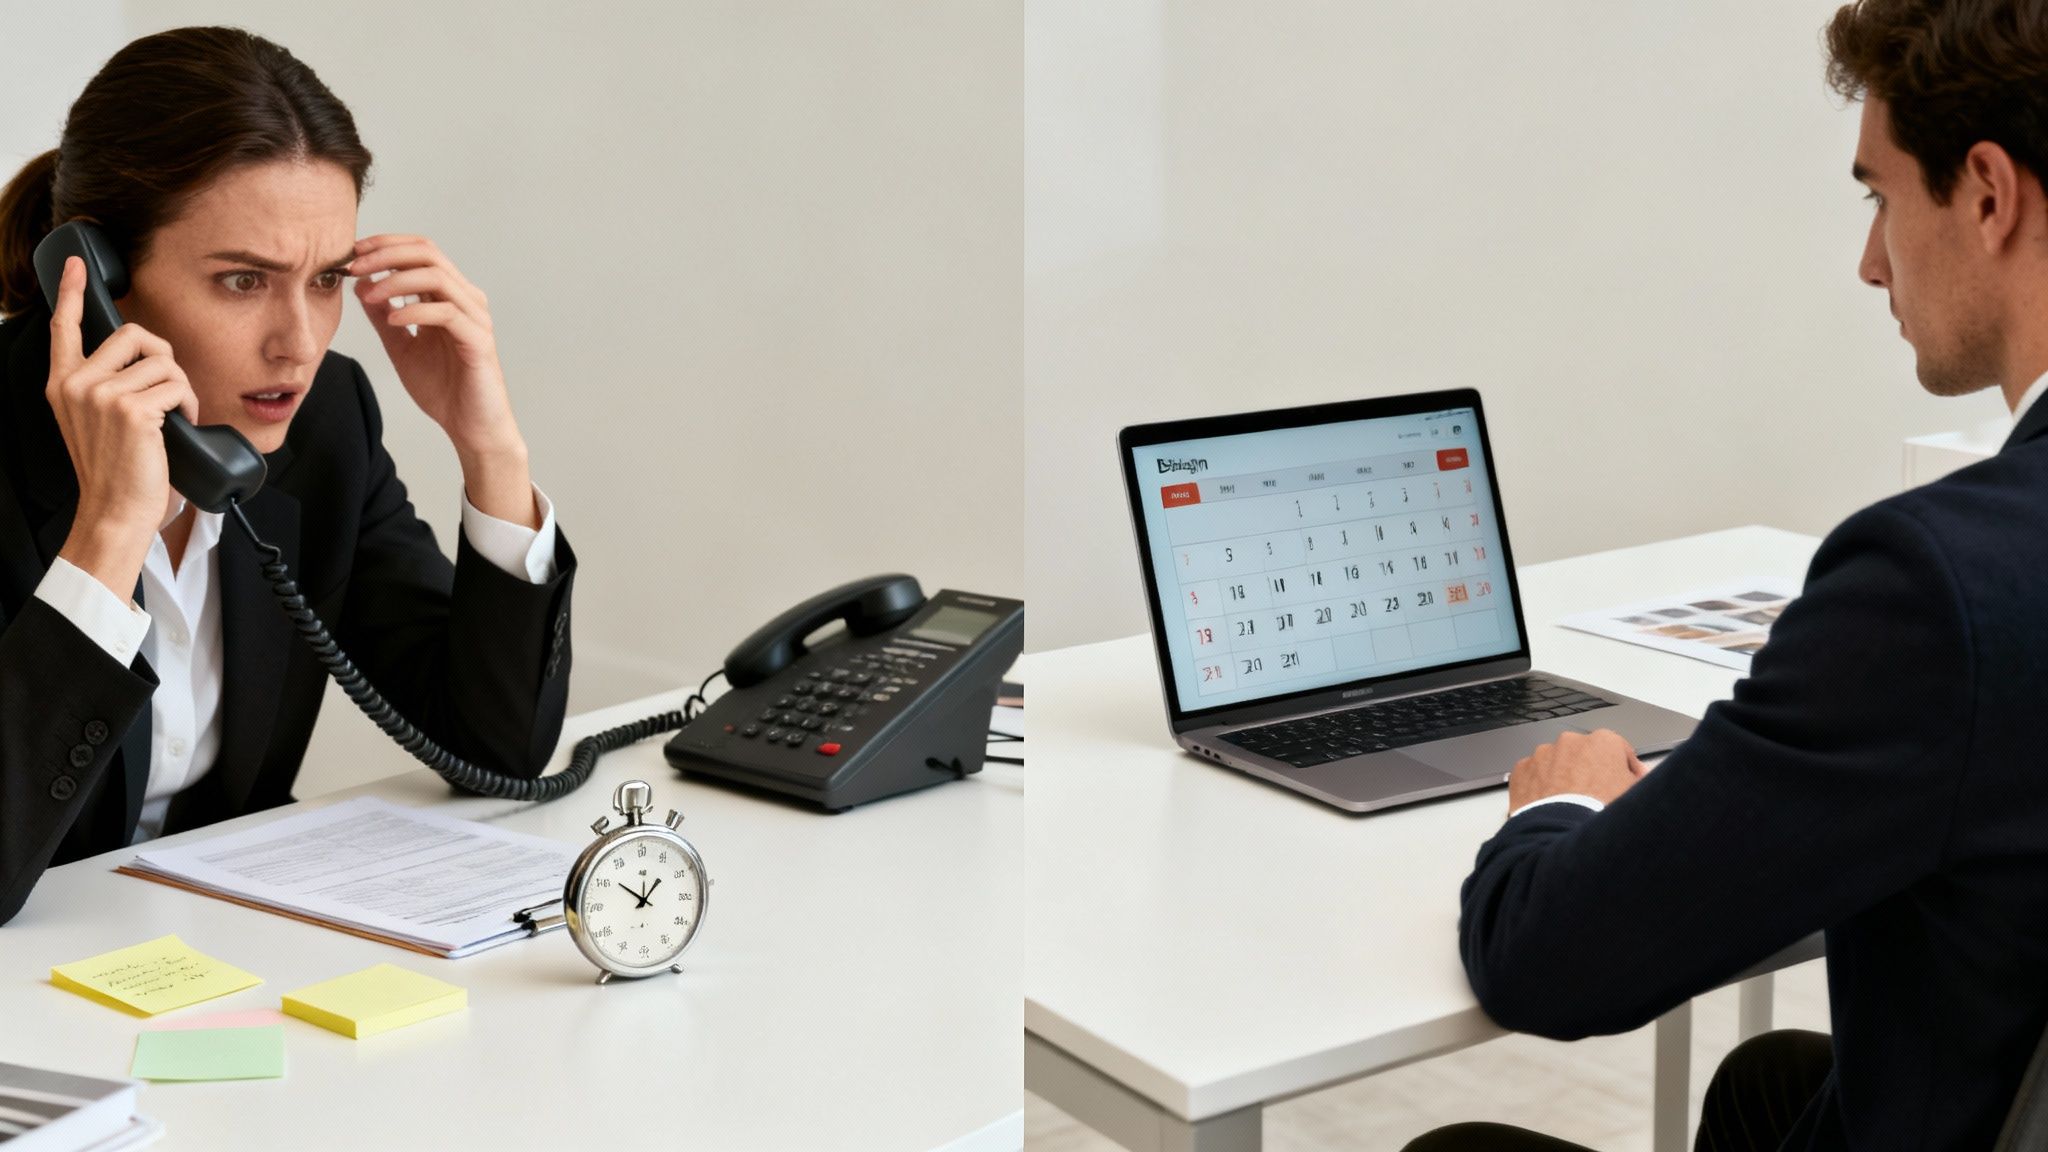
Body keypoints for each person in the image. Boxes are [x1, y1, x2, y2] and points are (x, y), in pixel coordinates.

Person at [1403, 1, 2048, 1149]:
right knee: (1764, 1085)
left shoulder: (1936, 583)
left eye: (1878, 195)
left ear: (1988, 195)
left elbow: (1547, 963)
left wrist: (1560, 808)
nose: (1866, 261)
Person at [0, 27, 574, 926]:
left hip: (228, 969)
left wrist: (489, 449)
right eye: (242, 281)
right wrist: (108, 533)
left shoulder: (325, 421)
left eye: (326, 280)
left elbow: (497, 749)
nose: (300, 345)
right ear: (98, 277)